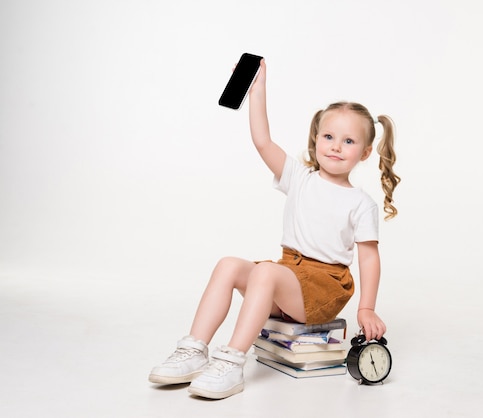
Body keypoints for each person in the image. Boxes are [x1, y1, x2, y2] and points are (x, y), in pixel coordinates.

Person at [148, 59, 400, 400]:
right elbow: (262, 140)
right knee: (228, 265)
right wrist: (257, 89)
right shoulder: (299, 177)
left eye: (348, 141)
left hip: (322, 288)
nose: (336, 146)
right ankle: (193, 350)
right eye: (328, 136)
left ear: (366, 152)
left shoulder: (360, 202)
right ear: (315, 140)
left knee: (264, 272)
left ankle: (232, 361)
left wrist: (365, 308)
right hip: (287, 276)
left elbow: (369, 259)